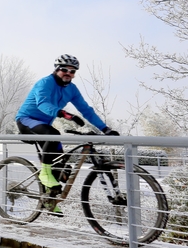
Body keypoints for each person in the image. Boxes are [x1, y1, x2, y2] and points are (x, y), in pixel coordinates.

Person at [15, 54, 119, 213]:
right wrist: (64, 114)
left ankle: (48, 200)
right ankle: (44, 173)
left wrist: (105, 129)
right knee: (53, 133)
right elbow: (43, 104)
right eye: (64, 69)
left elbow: (86, 110)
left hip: (45, 126)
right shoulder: (45, 83)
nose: (68, 73)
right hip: (26, 120)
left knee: (62, 167)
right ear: (56, 69)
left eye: (72, 71)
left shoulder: (72, 89)